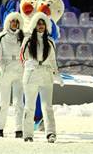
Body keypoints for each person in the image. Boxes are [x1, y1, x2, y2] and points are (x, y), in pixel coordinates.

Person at [20, 12, 63, 143]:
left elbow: (53, 60)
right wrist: (30, 66)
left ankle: (51, 133)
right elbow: (22, 57)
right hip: (31, 74)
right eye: (38, 23)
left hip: (46, 75)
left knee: (47, 106)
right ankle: (27, 134)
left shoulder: (50, 41)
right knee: (29, 106)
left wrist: (57, 75)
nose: (41, 26)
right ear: (34, 25)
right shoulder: (27, 40)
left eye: (43, 23)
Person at [0, 12, 25, 138]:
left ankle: (19, 129)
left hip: (19, 71)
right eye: (12, 21)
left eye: (16, 21)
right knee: (4, 102)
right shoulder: (1, 36)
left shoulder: (23, 36)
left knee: (19, 102)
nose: (14, 23)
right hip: (5, 71)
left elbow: (27, 54)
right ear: (8, 22)